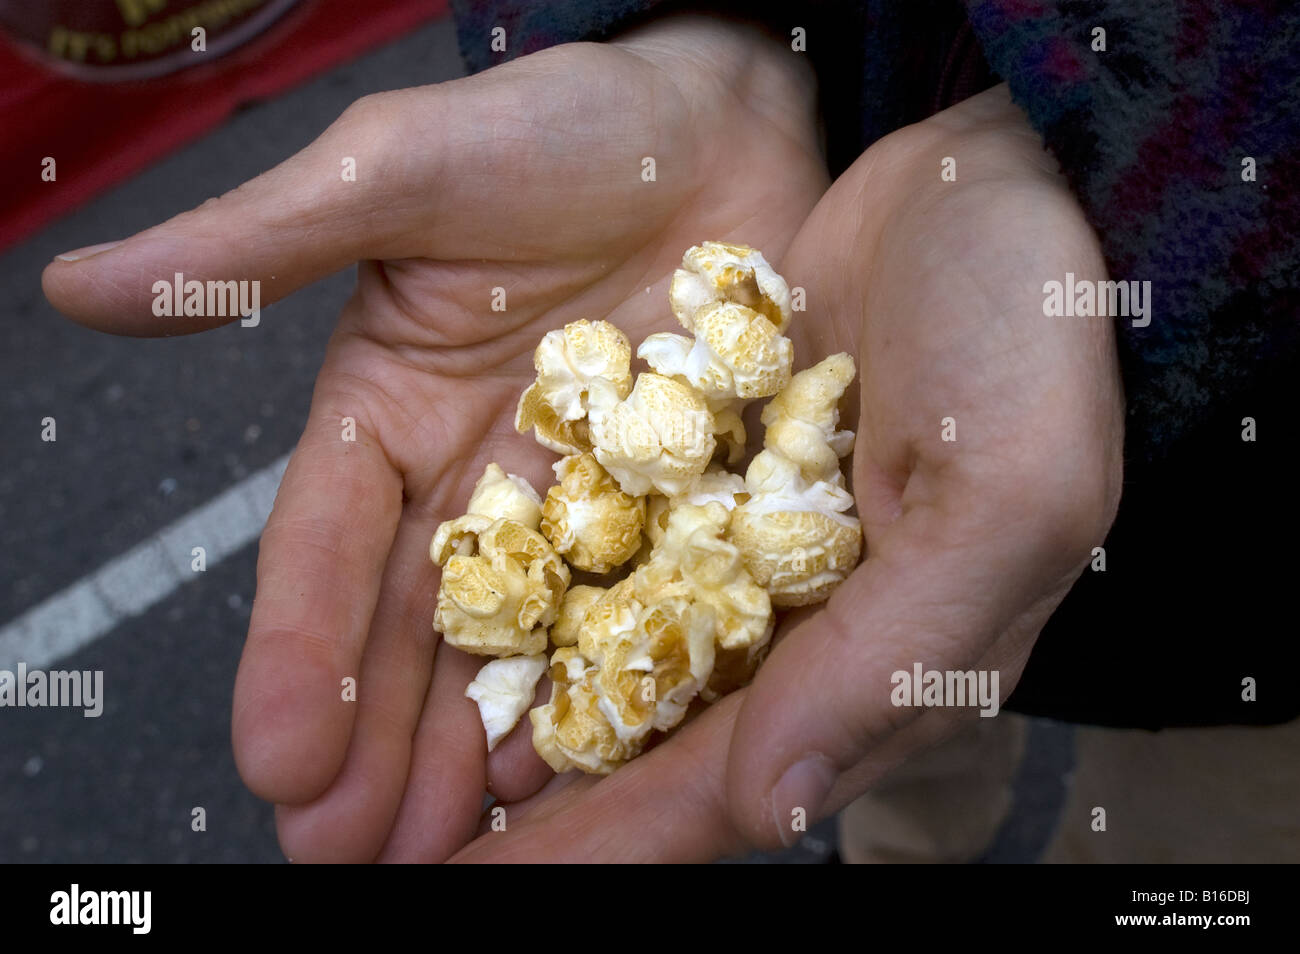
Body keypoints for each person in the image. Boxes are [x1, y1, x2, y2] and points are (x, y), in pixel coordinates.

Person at [41, 2, 1299, 862]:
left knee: (1180, 842)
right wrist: (687, 25)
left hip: (1237, 563)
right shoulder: (703, 452)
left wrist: (1119, 165)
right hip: (879, 438)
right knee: (884, 735)